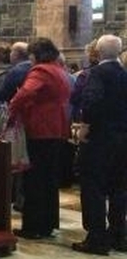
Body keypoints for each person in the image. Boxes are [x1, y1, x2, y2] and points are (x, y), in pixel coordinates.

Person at [8, 37, 71, 240]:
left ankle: (33, 227)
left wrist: (12, 110)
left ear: (36, 55)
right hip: (57, 129)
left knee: (34, 180)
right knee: (49, 180)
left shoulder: (41, 71)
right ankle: (48, 224)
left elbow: (25, 93)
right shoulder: (59, 70)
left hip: (41, 130)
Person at [73, 34, 127, 255]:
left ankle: (97, 238)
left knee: (93, 188)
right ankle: (118, 235)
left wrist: (85, 125)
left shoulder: (97, 73)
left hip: (100, 139)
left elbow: (91, 100)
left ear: (99, 51)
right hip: (123, 138)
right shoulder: (124, 74)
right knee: (119, 189)